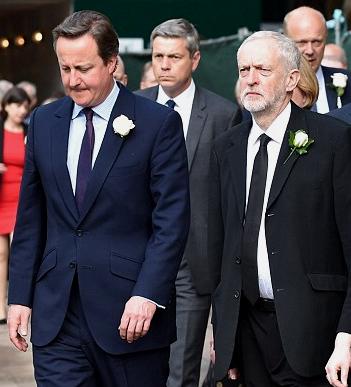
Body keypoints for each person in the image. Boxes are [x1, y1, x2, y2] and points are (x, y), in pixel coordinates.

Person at [7, 10, 190, 387]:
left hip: (129, 317)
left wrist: (148, 294)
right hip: (57, 319)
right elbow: (31, 219)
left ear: (111, 62)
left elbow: (171, 221)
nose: (73, 81)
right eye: (65, 68)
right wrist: (19, 297)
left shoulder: (157, 124)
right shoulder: (43, 122)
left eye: (84, 68)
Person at [209, 30, 351, 387]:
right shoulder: (226, 147)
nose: (250, 79)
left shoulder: (333, 141)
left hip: (315, 333)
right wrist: (225, 338)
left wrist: (347, 336)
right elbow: (221, 246)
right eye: (244, 70)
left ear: (291, 80)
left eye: (262, 69)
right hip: (249, 332)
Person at [136, 18, 241, 387]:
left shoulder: (224, 114)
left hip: (194, 262)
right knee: (135, 364)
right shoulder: (133, 108)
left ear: (195, 59)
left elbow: (231, 195)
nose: (163, 64)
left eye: (174, 57)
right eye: (158, 56)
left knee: (181, 369)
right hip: (138, 256)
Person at [283, 6, 351, 112]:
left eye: (316, 42)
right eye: (302, 42)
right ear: (286, 42)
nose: (310, 51)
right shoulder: (273, 85)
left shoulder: (348, 81)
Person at [0, 87, 30, 325]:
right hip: (2, 196)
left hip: (22, 198)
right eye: (17, 105)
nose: (21, 110)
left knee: (17, 251)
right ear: (6, 105)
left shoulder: (30, 131)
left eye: (24, 106)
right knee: (0, 254)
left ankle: (18, 303)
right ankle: (0, 307)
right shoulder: (0, 131)